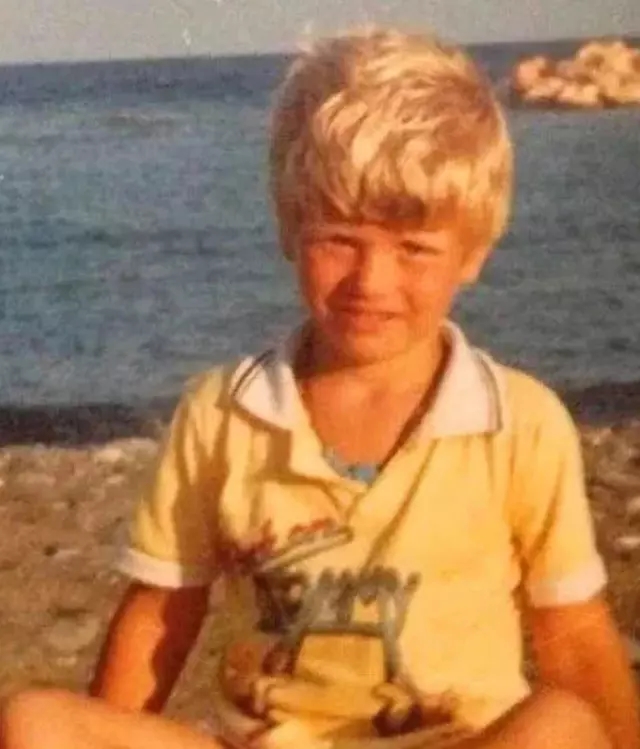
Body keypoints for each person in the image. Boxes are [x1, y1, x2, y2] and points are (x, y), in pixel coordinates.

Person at [1, 26, 639, 749]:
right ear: (290, 229)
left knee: (562, 723)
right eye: (339, 239)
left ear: (473, 252)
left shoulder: (520, 422)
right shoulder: (223, 414)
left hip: (455, 740)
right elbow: (162, 612)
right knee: (35, 721)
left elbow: (574, 633)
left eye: (414, 249)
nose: (373, 280)